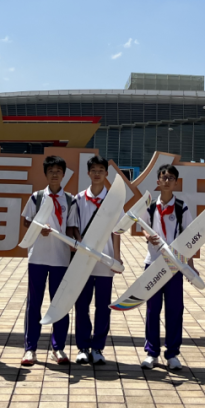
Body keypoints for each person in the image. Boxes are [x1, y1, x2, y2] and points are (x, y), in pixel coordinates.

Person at [20, 155, 78, 366]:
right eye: (51, 171)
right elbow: (26, 221)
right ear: (45, 174)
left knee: (59, 303)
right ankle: (30, 349)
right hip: (37, 257)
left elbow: (71, 227)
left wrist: (75, 244)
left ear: (63, 175)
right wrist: (38, 228)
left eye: (58, 171)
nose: (55, 175)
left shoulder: (70, 200)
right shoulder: (37, 197)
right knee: (34, 304)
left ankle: (58, 347)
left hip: (61, 259)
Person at [140, 163, 192, 371]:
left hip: (174, 266)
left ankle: (172, 354)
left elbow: (190, 237)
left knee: (174, 310)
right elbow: (143, 226)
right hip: (153, 263)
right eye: (164, 177)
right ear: (158, 181)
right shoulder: (151, 206)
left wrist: (190, 267)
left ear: (176, 182)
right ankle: (152, 353)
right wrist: (148, 236)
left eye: (171, 178)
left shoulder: (182, 207)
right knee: (153, 309)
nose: (167, 181)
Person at [73, 155, 123, 365]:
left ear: (106, 174)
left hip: (104, 261)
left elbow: (117, 231)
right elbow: (74, 226)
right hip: (83, 261)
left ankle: (98, 348)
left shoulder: (114, 200)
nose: (96, 174)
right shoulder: (78, 199)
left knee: (103, 306)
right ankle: (83, 347)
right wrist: (80, 245)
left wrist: (116, 258)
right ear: (88, 173)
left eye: (100, 170)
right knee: (81, 306)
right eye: (93, 170)